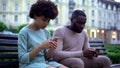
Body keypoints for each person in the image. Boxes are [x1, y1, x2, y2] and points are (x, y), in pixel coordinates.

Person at [18, 0, 68, 68]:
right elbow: (22, 59)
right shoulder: (24, 32)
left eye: (48, 21)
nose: (46, 24)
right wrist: (40, 47)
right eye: (44, 20)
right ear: (35, 15)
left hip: (43, 63)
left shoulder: (46, 32)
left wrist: (52, 48)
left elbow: (46, 57)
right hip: (28, 65)